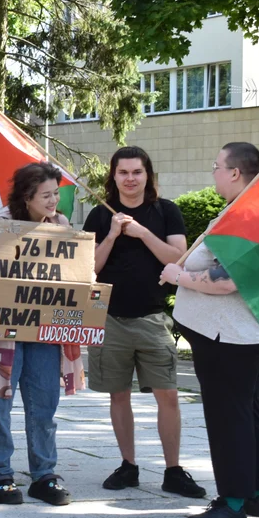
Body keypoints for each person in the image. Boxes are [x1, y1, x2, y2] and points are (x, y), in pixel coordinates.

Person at [161, 142, 259, 518]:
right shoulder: (244, 211)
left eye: (216, 166)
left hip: (229, 337)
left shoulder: (247, 215)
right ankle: (253, 492)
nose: (214, 173)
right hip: (231, 336)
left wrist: (180, 278)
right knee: (244, 413)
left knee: (230, 419)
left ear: (235, 173)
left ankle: (233, 502)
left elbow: (228, 282)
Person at [82, 146, 205, 498]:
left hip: (153, 318)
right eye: (123, 172)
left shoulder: (166, 211)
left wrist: (142, 234)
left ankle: (173, 470)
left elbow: (178, 259)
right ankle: (128, 465)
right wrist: (112, 235)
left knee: (168, 394)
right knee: (118, 396)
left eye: (137, 172)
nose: (130, 179)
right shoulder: (99, 215)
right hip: (108, 318)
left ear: (148, 174)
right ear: (114, 176)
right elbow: (90, 268)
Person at [0, 163, 75, 507]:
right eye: (47, 195)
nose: (54, 200)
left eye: (56, 193)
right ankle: (0, 475)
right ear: (27, 197)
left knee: (44, 403)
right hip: (3, 329)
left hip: (45, 329)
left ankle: (44, 474)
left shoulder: (62, 226)